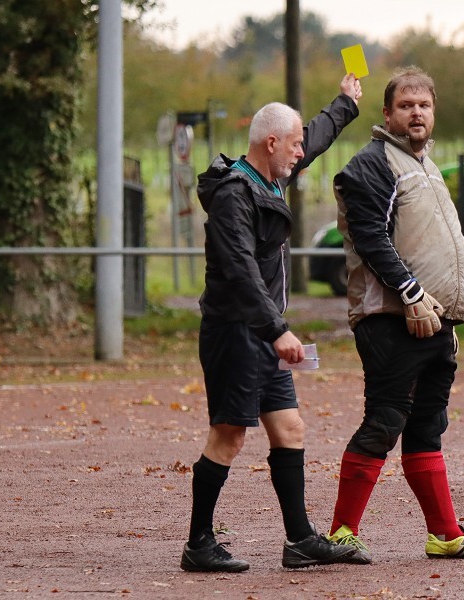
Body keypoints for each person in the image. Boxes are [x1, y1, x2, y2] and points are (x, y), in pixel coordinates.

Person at [179, 74, 363, 573]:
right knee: (229, 434)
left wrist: (345, 103)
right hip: (236, 331)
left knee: (288, 426)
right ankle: (199, 543)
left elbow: (317, 136)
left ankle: (300, 540)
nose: (302, 151)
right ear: (271, 142)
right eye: (294, 143)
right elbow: (239, 271)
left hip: (260, 333)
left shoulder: (272, 178)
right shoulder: (234, 195)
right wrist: (276, 330)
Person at [327, 66, 464, 563]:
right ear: (387, 114)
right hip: (392, 317)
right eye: (406, 105)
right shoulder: (371, 164)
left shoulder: (425, 165)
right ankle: (341, 534)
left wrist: (445, 317)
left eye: (424, 104)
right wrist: (410, 295)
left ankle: (445, 535)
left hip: (434, 321)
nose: (416, 112)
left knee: (427, 426)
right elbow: (370, 237)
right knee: (384, 421)